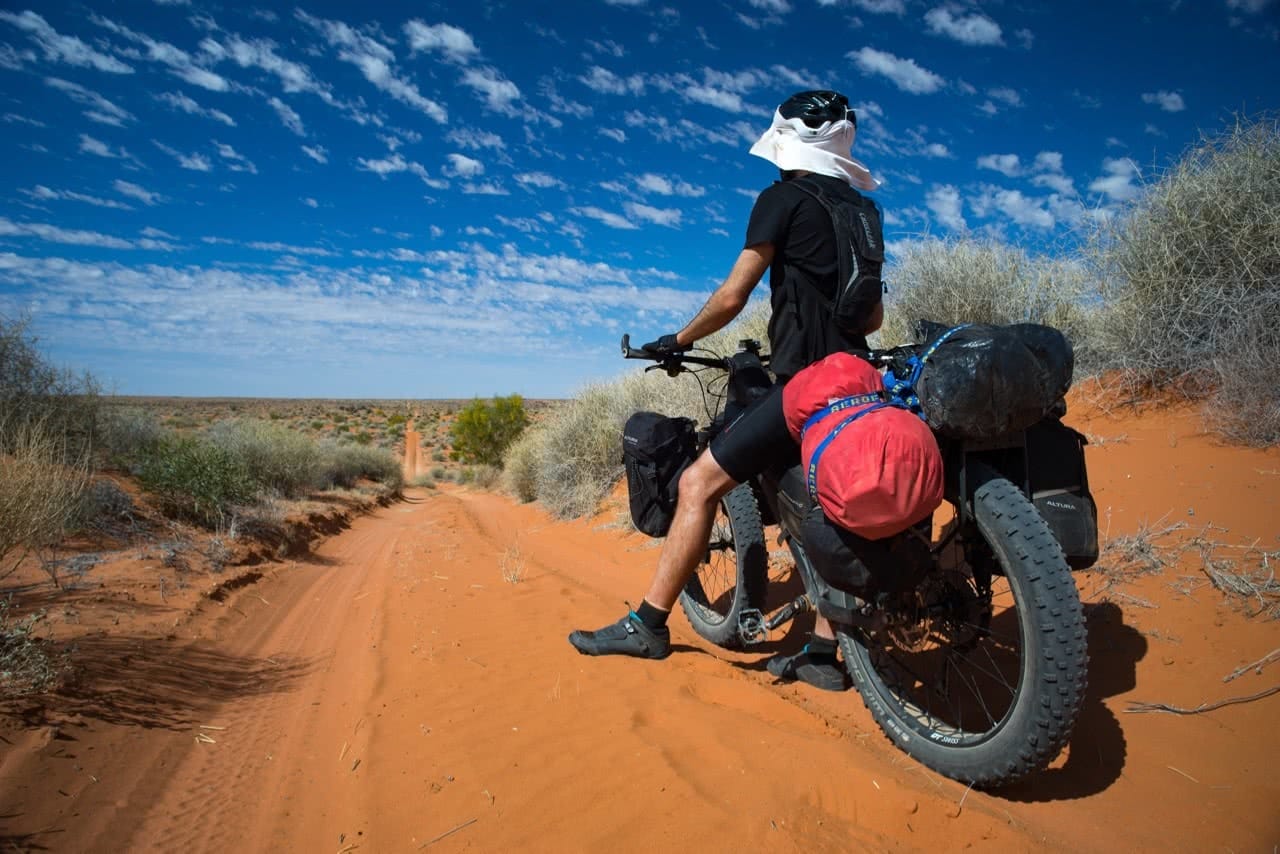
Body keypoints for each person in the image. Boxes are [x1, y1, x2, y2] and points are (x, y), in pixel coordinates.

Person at [568, 90, 885, 692]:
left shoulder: (782, 198)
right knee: (822, 503)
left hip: (805, 384)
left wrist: (678, 339)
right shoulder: (864, 212)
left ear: (785, 142)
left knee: (698, 483)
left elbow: (734, 294)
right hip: (860, 378)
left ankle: (648, 626)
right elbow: (870, 317)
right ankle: (823, 650)